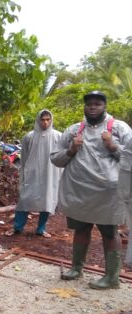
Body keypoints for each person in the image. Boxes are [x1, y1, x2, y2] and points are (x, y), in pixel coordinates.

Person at [51, 91, 132, 290]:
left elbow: (130, 159)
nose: (92, 107)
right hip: (79, 190)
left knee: (108, 231)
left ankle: (112, 277)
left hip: (108, 192)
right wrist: (71, 150)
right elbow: (55, 158)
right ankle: (76, 267)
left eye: (97, 104)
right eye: (89, 104)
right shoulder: (73, 130)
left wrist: (113, 146)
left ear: (105, 106)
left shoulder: (120, 128)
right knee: (81, 228)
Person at [5, 110, 62, 238]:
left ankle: (41, 229)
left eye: (48, 119)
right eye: (43, 119)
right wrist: (24, 173)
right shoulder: (29, 137)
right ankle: (17, 227)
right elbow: (24, 157)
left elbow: (61, 156)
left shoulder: (58, 136)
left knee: (47, 200)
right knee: (25, 200)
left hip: (50, 173)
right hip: (32, 173)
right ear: (38, 120)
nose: (46, 122)